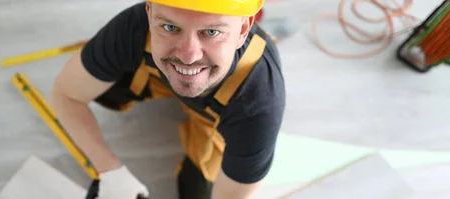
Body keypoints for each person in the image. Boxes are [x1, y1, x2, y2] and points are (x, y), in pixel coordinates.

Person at [49, 0, 285, 198]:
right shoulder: (133, 27)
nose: (189, 55)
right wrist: (109, 169)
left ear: (243, 29)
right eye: (171, 27)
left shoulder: (259, 102)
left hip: (221, 117)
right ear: (149, 13)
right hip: (158, 78)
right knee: (100, 83)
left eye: (211, 32)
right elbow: (66, 95)